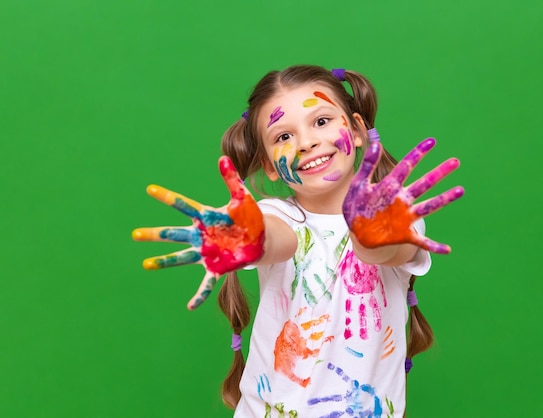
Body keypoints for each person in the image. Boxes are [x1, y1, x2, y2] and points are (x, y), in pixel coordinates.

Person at [132, 65, 464, 417]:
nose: (306, 142)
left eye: (321, 122)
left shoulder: (394, 220)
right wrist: (248, 237)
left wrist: (374, 233)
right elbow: (275, 238)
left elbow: (385, 250)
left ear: (356, 130)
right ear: (271, 166)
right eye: (283, 137)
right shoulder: (278, 216)